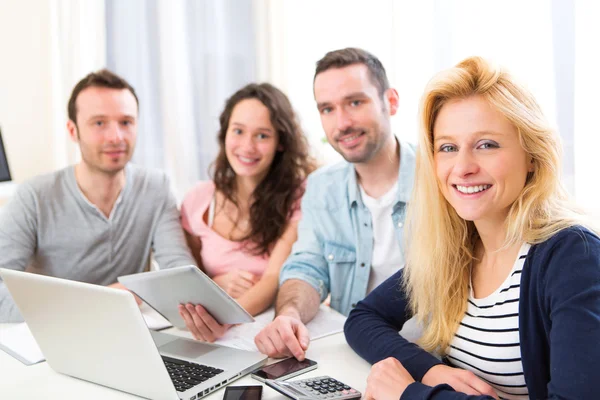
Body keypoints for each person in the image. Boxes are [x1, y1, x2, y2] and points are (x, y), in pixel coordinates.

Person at [344, 56, 600, 400]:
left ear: (533, 157)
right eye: (448, 147)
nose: (462, 167)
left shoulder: (573, 256)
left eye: (486, 145)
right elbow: (364, 318)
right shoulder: (458, 245)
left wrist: (410, 394)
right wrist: (432, 371)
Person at [254, 48, 418, 360]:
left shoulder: (441, 176)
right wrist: (289, 313)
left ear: (391, 102)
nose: (341, 123)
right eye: (327, 109)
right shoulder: (321, 186)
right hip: (354, 353)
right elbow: (307, 266)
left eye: (355, 102)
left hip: (430, 356)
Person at [0, 69, 196, 322]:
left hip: (129, 330)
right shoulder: (34, 196)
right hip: (56, 335)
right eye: (99, 123)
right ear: (73, 131)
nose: (116, 137)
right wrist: (102, 299)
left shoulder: (156, 187)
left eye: (126, 122)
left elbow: (179, 274)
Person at [178, 83, 316, 342]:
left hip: (263, 327)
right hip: (211, 330)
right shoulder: (197, 199)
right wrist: (218, 282)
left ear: (281, 143)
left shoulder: (300, 197)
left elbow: (274, 278)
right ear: (225, 134)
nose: (247, 146)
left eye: (262, 135)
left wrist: (226, 319)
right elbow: (190, 276)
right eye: (238, 131)